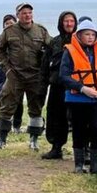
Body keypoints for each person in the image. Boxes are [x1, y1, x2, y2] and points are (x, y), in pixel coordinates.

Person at [0, 3, 51, 150]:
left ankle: (34, 140)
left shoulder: (41, 31)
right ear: (18, 15)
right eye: (24, 13)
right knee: (6, 106)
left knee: (36, 108)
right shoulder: (9, 31)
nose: (27, 15)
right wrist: (7, 69)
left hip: (35, 75)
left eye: (30, 13)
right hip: (15, 75)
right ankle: (2, 139)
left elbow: (51, 48)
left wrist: (46, 66)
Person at [61, 18, 97, 174]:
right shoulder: (69, 51)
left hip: (96, 99)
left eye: (93, 34)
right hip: (77, 99)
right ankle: (79, 164)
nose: (90, 37)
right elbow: (64, 76)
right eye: (87, 34)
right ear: (79, 35)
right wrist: (82, 88)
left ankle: (95, 164)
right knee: (79, 130)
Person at [40, 11, 77, 160]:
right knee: (55, 117)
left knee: (78, 118)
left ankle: (83, 150)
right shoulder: (54, 42)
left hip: (76, 86)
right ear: (61, 23)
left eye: (72, 21)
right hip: (57, 85)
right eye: (66, 21)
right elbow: (44, 66)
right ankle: (56, 147)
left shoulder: (80, 41)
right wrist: (42, 86)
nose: (69, 24)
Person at [0, 14, 23, 132]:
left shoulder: (20, 38)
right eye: (7, 23)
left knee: (18, 102)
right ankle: (2, 127)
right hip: (0, 76)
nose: (9, 25)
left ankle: (16, 126)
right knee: (2, 102)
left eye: (11, 23)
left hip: (17, 76)